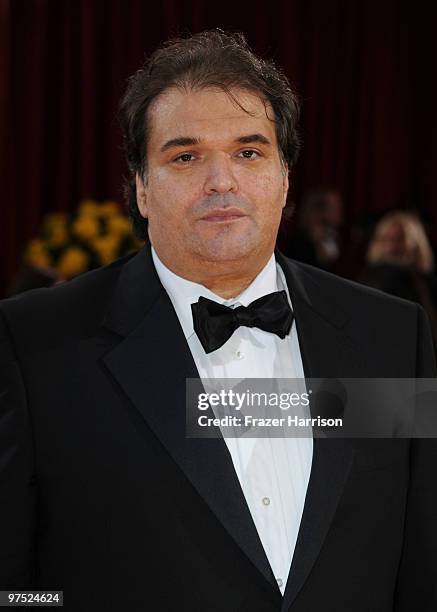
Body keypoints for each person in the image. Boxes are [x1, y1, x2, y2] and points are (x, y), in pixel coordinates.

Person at [0, 30, 436, 612]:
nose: (221, 181)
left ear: (285, 181)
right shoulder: (35, 344)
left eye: (248, 152)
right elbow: (15, 591)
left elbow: (420, 567)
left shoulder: (391, 336)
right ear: (141, 189)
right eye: (186, 156)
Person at [361, 211, 437, 347]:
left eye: (399, 240)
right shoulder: (373, 276)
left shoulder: (426, 281)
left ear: (415, 244)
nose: (391, 247)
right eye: (386, 239)